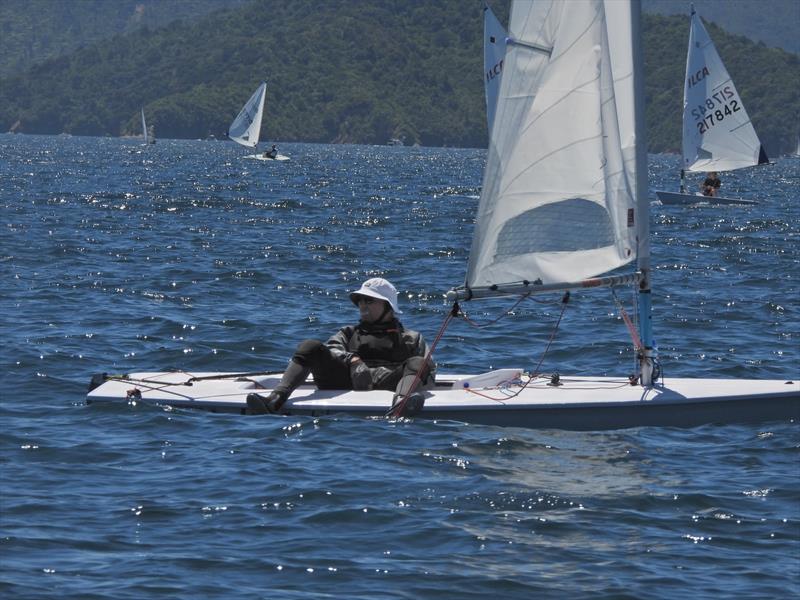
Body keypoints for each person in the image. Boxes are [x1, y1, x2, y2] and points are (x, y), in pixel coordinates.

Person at [247, 278, 435, 416]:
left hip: (389, 382)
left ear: (387, 306)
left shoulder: (411, 338)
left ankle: (401, 407)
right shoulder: (348, 333)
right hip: (346, 379)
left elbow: (428, 372)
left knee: (419, 362)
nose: (362, 305)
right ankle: (274, 400)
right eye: (360, 300)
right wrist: (352, 360)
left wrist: (411, 384)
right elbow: (333, 350)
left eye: (369, 300)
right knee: (309, 346)